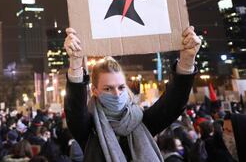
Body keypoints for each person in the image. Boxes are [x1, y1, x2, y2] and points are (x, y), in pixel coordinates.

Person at [64, 26, 201, 162]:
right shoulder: (89, 128)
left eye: (121, 87)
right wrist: (75, 65)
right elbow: (75, 110)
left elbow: (173, 104)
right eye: (108, 89)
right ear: (95, 91)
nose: (117, 94)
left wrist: (187, 62)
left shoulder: (140, 120)